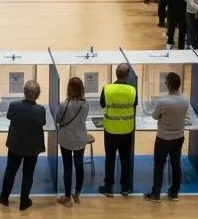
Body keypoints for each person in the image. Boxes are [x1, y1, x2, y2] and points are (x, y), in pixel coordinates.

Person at [0, 79, 46, 211]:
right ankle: (24, 201)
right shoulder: (40, 110)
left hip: (16, 145)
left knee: (10, 171)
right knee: (28, 174)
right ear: (38, 94)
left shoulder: (14, 105)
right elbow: (42, 122)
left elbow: (9, 116)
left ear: (24, 92)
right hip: (32, 147)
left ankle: (4, 197)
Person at [145, 71, 188, 202]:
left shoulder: (162, 102)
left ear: (168, 85)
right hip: (179, 137)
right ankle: (174, 193)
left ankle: (156, 194)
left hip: (163, 138)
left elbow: (154, 116)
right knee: (176, 164)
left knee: (159, 165)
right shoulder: (185, 100)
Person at [98, 63, 137, 197]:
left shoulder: (107, 89)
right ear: (128, 75)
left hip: (110, 130)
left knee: (110, 159)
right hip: (127, 130)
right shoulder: (132, 90)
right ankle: (125, 187)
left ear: (116, 73)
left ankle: (108, 187)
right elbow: (135, 104)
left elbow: (102, 104)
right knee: (125, 160)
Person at [55, 76, 89, 206]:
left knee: (67, 168)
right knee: (79, 167)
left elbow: (58, 119)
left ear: (69, 88)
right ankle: (77, 195)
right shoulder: (85, 104)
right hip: (80, 139)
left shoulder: (64, 104)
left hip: (66, 139)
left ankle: (67, 198)